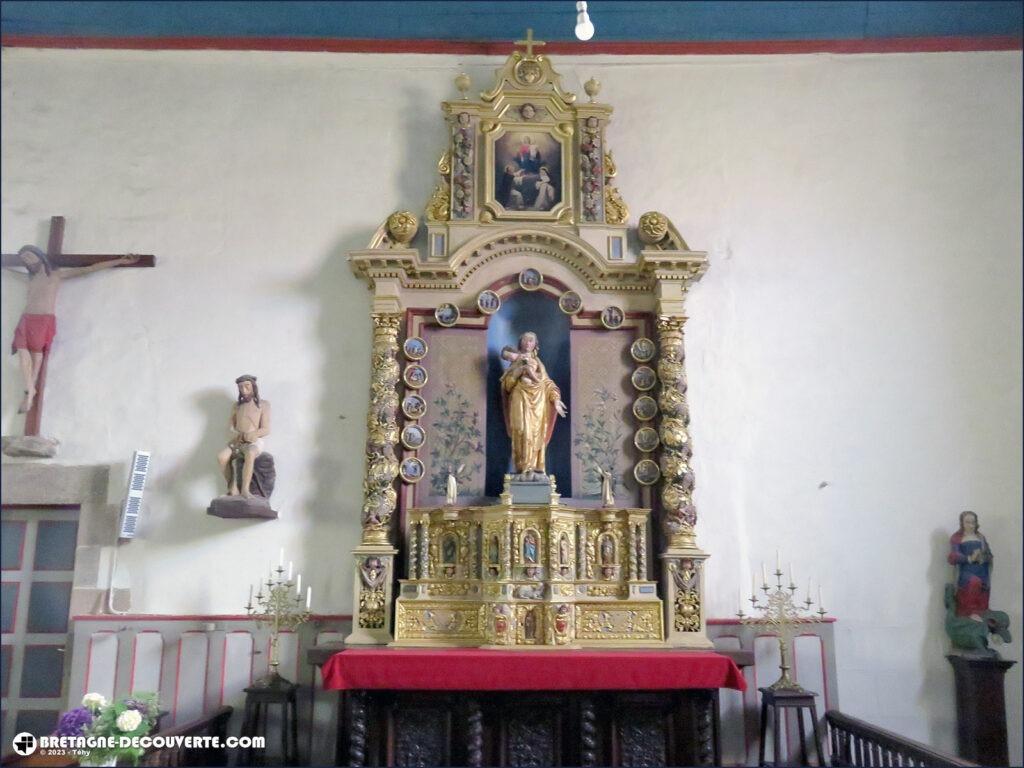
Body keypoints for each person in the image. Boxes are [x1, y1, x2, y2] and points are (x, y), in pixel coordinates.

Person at [7, 245, 138, 413]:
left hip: (43, 321)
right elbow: (8, 273)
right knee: (22, 354)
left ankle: (30, 391)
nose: (28, 260)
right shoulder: (29, 278)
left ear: (39, 256)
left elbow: (89, 269)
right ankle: (29, 388)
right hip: (25, 319)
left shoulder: (56, 275)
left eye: (30, 256)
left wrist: (119, 260)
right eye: (24, 259)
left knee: (36, 357)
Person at [500, 332, 567, 475]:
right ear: (520, 343)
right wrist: (519, 371)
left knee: (536, 434)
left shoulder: (539, 363)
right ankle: (522, 467)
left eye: (531, 341)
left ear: (535, 344)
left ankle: (535, 468)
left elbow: (547, 383)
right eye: (525, 340)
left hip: (538, 403)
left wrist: (556, 400)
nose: (528, 343)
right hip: (520, 398)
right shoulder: (516, 360)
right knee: (521, 430)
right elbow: (507, 385)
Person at [217, 375, 271, 497]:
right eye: (240, 387)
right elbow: (230, 427)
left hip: (253, 441)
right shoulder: (237, 406)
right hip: (237, 441)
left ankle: (245, 490)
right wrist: (236, 435)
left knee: (250, 453)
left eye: (247, 386)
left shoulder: (264, 405)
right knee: (221, 457)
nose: (243, 390)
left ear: (253, 387)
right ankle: (232, 487)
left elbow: (266, 429)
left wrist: (254, 434)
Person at [948, 510, 993, 617]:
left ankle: (981, 613)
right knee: (974, 582)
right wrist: (969, 558)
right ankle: (970, 613)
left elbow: (989, 555)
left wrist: (983, 556)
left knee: (983, 587)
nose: (971, 525)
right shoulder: (957, 537)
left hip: (982, 570)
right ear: (962, 523)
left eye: (973, 522)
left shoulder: (981, 537)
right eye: (967, 522)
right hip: (967, 571)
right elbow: (953, 557)